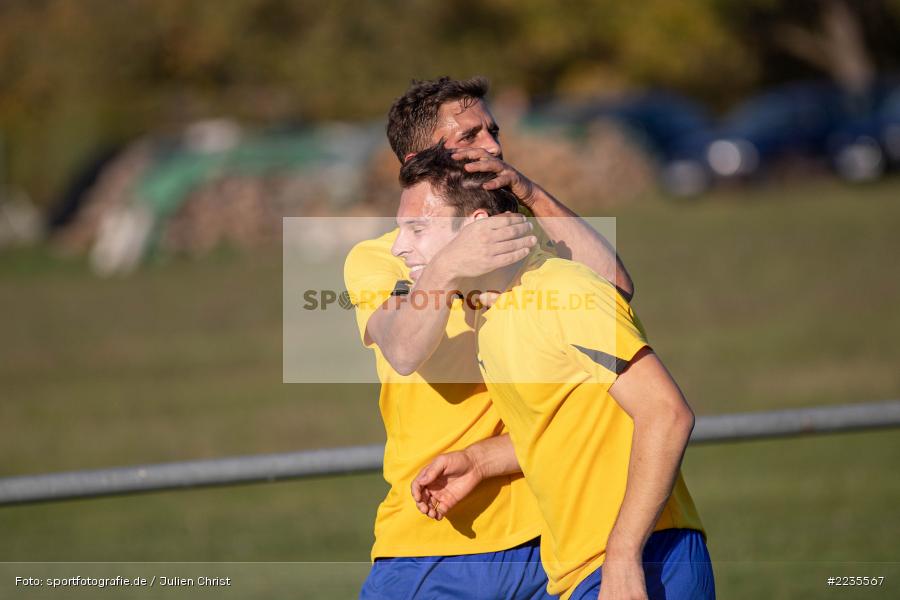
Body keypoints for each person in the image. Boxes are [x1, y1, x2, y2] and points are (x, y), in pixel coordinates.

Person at [343, 76, 633, 599]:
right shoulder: (382, 257)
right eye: (470, 136)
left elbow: (614, 290)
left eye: (492, 131)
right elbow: (404, 350)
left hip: (550, 537)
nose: (494, 146)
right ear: (417, 160)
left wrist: (528, 192)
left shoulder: (523, 247)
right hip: (430, 541)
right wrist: (449, 264)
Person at [397, 143, 715, 600]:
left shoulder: (564, 289)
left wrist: (623, 558)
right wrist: (481, 461)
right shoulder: (487, 317)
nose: (398, 245)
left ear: (475, 228)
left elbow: (667, 414)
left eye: (417, 228)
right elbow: (573, 428)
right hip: (580, 570)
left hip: (646, 559)